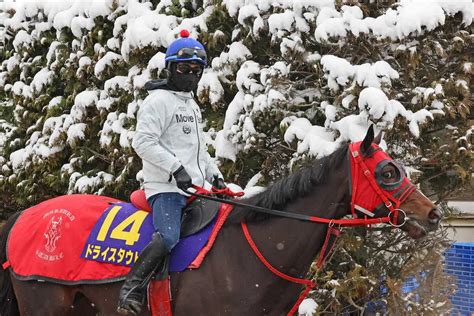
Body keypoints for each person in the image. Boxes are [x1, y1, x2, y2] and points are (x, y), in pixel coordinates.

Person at [117, 30, 226, 315]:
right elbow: (142, 142)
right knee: (168, 237)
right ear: (169, 69)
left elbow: (199, 148)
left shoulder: (191, 105)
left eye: (196, 70)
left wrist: (215, 174)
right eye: (184, 69)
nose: (190, 75)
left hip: (196, 188)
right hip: (165, 189)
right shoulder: (157, 101)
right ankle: (132, 288)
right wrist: (176, 168)